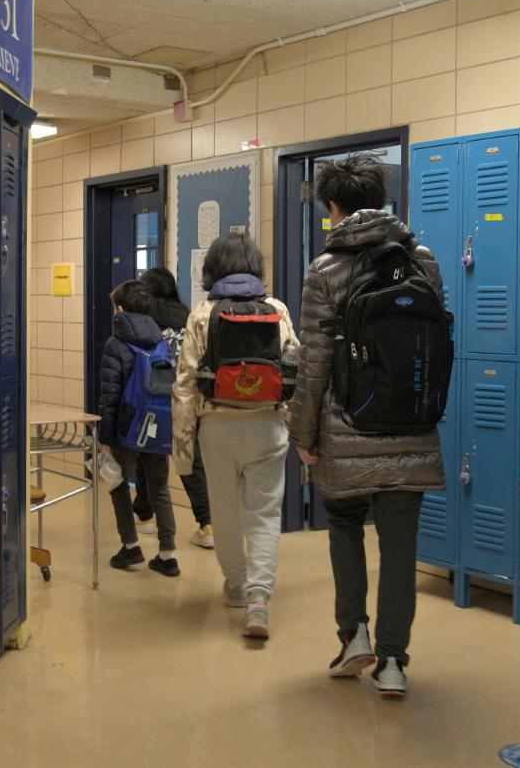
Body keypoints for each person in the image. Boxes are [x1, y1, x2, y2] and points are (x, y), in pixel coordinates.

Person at [287, 155, 447, 698]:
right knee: (400, 548)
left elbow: (314, 364)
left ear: (333, 207)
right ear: (380, 196)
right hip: (412, 428)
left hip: (345, 429)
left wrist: (302, 436)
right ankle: (395, 662)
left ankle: (355, 636)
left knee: (345, 528)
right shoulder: (422, 260)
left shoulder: (324, 269)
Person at [171, 233, 298, 638]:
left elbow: (185, 386)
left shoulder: (203, 314)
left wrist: (183, 449)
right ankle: (259, 601)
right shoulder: (277, 309)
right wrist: (291, 425)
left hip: (218, 429)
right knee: (263, 514)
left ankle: (237, 585)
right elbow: (294, 370)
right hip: (266, 425)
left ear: (212, 268)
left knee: (225, 512)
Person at [97, 279, 179, 576]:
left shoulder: (116, 344)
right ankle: (168, 554)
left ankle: (130, 547)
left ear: (120, 309)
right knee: (159, 488)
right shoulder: (162, 341)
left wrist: (105, 438)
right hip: (157, 424)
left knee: (118, 483)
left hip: (126, 427)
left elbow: (109, 394)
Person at [133, 266, 215, 550]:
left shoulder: (144, 321)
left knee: (147, 454)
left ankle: (145, 516)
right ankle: (207, 524)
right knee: (191, 460)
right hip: (187, 398)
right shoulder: (188, 316)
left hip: (153, 398)